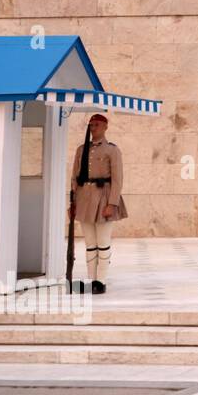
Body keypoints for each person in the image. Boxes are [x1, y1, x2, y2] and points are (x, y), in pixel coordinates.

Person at [68, 114, 127, 295]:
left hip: (103, 197)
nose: (93, 128)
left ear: (105, 127)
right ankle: (92, 279)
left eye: (97, 125)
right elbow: (75, 178)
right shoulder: (81, 150)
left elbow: (117, 180)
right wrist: (73, 203)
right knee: (90, 243)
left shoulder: (112, 150)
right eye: (91, 125)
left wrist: (112, 203)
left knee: (103, 242)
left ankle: (101, 281)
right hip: (85, 198)